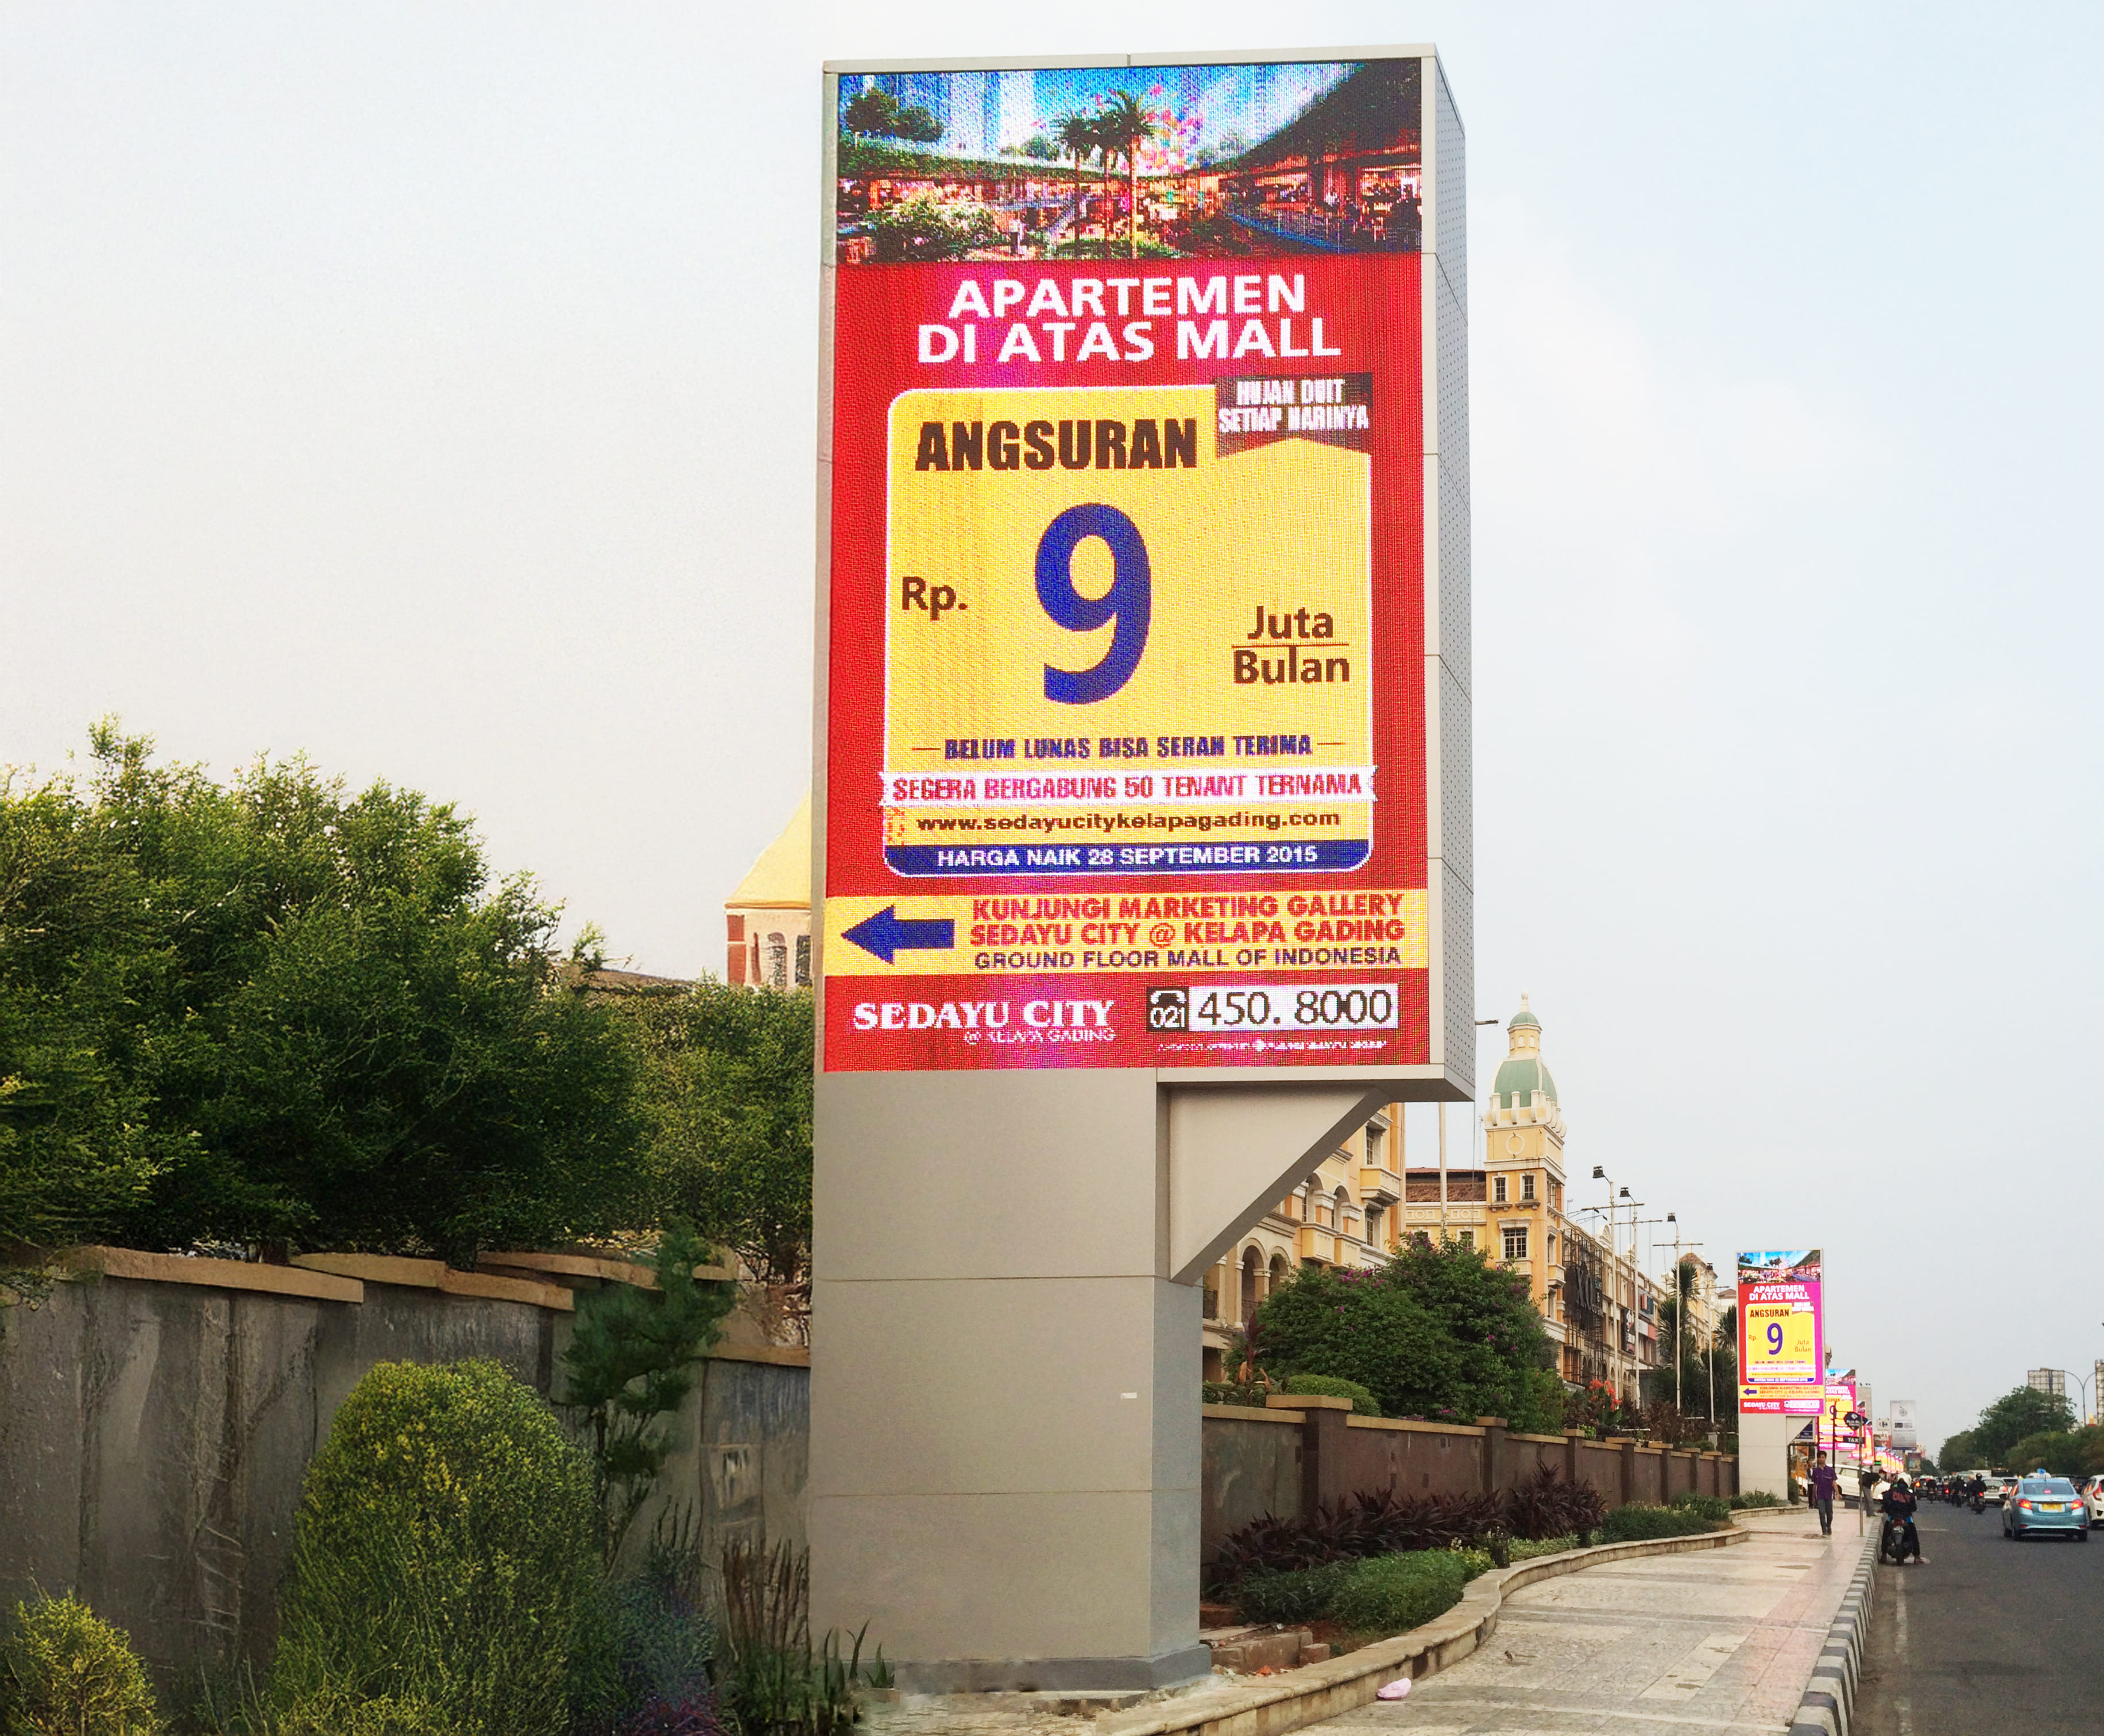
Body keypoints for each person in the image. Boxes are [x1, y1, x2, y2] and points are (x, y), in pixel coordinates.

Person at [1882, 1475, 1925, 1564]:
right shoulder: (1909, 1494)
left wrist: (1888, 1509)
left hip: (1892, 1517)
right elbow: (1914, 1508)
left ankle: (1884, 1555)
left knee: (1886, 1533)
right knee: (1913, 1534)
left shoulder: (1891, 1492)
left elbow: (1885, 1500)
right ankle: (1917, 1556)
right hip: (1906, 1518)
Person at [1809, 1451, 1839, 1535]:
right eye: (1820, 1457)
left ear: (1825, 1458)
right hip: (1820, 1495)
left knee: (1830, 1514)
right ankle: (1824, 1531)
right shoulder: (1815, 1471)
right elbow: (1815, 1485)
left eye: (1823, 1457)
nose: (1821, 1459)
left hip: (1829, 1495)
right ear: (1818, 1459)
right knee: (1822, 1513)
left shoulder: (1831, 1470)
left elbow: (1834, 1482)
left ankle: (1829, 1526)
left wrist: (1837, 1493)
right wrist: (1813, 1497)